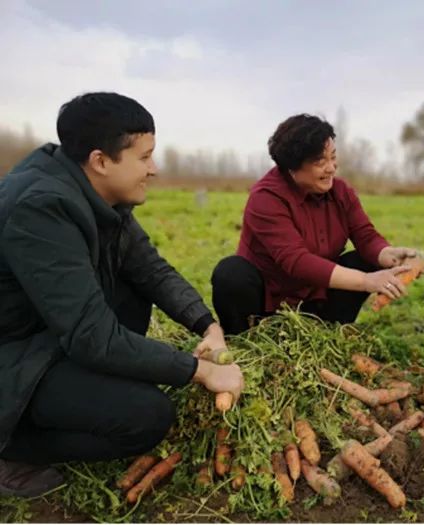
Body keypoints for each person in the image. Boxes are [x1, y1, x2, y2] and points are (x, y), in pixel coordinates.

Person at [0, 92, 244, 497]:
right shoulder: (40, 209)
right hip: (12, 355)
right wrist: (201, 371)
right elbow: (91, 335)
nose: (155, 169)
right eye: (145, 157)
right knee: (147, 416)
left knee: (133, 286)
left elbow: (151, 270)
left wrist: (208, 325)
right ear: (100, 161)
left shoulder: (93, 192)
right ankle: (12, 447)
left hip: (45, 335)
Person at [212, 114, 424, 334]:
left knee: (364, 258)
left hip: (316, 298)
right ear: (292, 167)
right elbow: (296, 260)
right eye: (320, 162)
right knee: (231, 272)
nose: (331, 167)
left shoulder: (341, 192)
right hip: (267, 303)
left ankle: (328, 330)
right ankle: (244, 337)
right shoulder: (266, 197)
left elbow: (366, 237)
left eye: (333, 157)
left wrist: (390, 255)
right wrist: (366, 281)